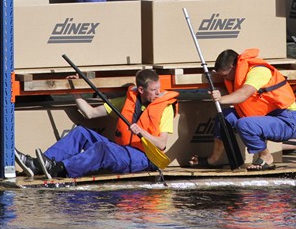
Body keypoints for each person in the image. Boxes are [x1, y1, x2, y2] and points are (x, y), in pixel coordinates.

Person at [15, 69, 179, 178]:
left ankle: (59, 169)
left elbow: (161, 145)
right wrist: (75, 92)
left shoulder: (165, 108)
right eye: (154, 90)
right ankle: (37, 164)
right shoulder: (127, 101)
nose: (159, 93)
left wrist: (141, 132)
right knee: (81, 132)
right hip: (123, 150)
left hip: (145, 158)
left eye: (159, 89)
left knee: (103, 149)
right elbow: (90, 113)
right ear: (141, 90)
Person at [191, 48, 296, 171]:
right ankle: (214, 160)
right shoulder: (235, 76)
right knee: (224, 117)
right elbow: (240, 94)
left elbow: (244, 93)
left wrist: (220, 99)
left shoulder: (258, 71)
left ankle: (266, 157)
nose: (224, 78)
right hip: (261, 116)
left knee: (245, 124)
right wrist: (221, 93)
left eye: (225, 75)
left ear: (233, 67)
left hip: (284, 119)